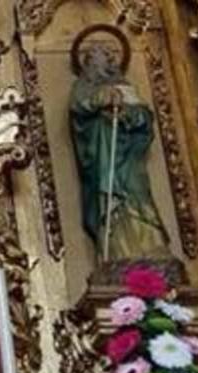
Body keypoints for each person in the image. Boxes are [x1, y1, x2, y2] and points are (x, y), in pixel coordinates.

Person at [69, 36, 172, 263]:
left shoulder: (125, 87)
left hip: (128, 158)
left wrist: (127, 114)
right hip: (103, 157)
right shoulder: (83, 86)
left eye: (108, 56)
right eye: (99, 57)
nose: (106, 61)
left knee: (139, 192)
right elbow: (79, 108)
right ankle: (116, 253)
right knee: (109, 201)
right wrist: (101, 99)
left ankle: (151, 247)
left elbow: (144, 118)